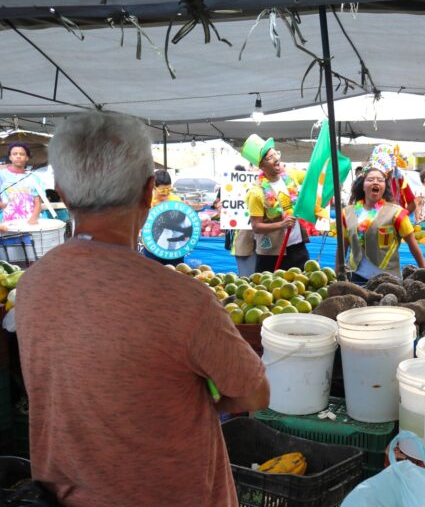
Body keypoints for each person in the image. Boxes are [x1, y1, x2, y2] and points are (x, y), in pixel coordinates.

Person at [15, 112, 269, 506]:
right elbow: (253, 394)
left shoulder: (31, 287)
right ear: (149, 192)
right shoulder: (184, 300)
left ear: (61, 193)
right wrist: (201, 400)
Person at [247, 135, 322, 272]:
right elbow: (256, 226)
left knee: (305, 285)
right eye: (270, 158)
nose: (276, 159)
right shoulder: (256, 193)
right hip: (272, 253)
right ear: (262, 165)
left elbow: (315, 174)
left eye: (275, 153)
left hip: (297, 247)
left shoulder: (291, 176)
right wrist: (282, 224)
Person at [343, 166, 425, 282]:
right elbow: (343, 245)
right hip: (355, 277)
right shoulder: (348, 213)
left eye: (380, 180)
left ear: (385, 186)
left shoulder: (397, 213)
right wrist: (338, 270)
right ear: (362, 185)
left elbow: (413, 245)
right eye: (370, 180)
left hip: (388, 279)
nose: (375, 182)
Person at [140, 169, 185, 266]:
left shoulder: (176, 202)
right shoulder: (147, 202)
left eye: (169, 190)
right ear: (153, 188)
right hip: (152, 249)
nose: (166, 193)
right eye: (162, 190)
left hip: (174, 250)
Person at [0, 141, 44, 225]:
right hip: (7, 224)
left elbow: (38, 203)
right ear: (10, 157)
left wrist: (33, 219)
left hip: (29, 223)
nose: (18, 156)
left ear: (27, 158)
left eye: (22, 154)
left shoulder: (34, 178)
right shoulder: (2, 175)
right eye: (15, 154)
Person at [228, 165, 258, 277]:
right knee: (246, 278)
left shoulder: (261, 189)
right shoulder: (232, 194)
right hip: (244, 241)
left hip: (263, 244)